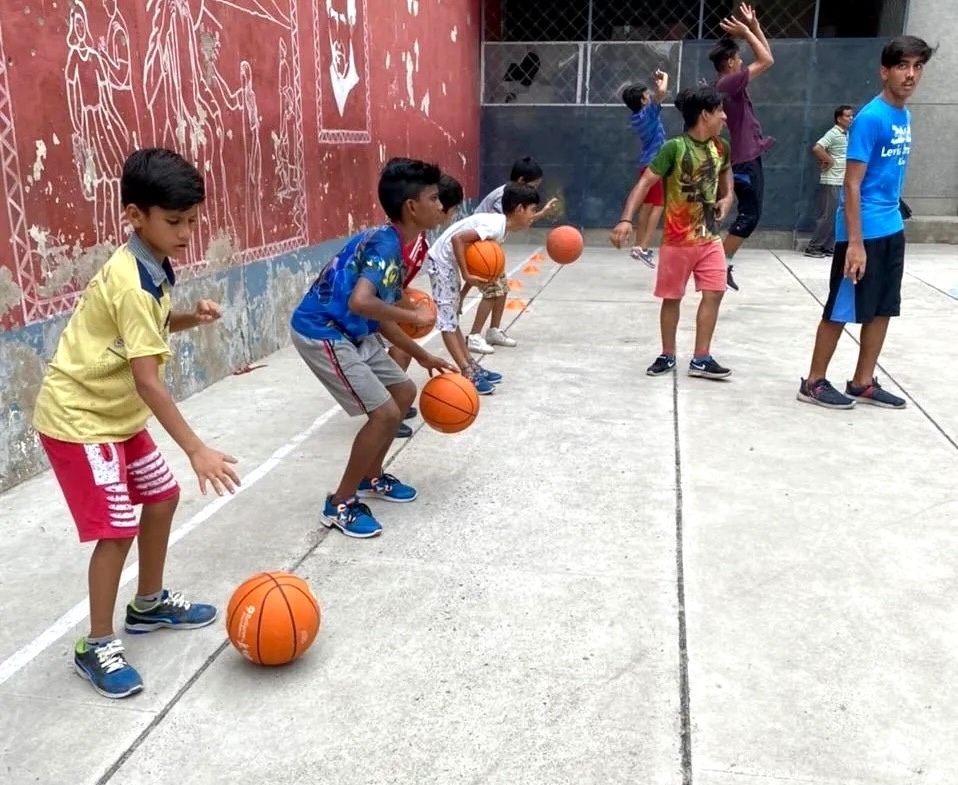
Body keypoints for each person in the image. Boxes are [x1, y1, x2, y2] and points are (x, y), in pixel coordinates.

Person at [31, 148, 241, 700]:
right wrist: (196, 448)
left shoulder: (151, 265)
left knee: (162, 496)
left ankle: (147, 605)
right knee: (117, 527)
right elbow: (149, 380)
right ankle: (95, 644)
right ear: (134, 216)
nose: (187, 232)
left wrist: (189, 317)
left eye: (193, 220)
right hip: (80, 419)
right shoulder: (130, 278)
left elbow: (147, 324)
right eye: (174, 222)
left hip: (116, 415)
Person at [289, 158, 457, 539]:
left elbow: (378, 317)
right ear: (412, 207)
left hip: (352, 330)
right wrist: (407, 309)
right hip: (324, 331)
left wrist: (421, 354)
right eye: (434, 197)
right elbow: (362, 303)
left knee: (403, 390)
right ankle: (340, 503)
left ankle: (371, 476)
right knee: (383, 414)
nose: (439, 204)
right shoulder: (384, 246)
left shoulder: (396, 243)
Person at [797, 36, 935, 410]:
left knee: (884, 307)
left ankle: (863, 381)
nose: (910, 75)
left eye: (917, 67)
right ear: (884, 71)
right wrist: (854, 243)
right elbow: (852, 183)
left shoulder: (903, 115)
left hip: (891, 227)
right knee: (841, 308)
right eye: (903, 66)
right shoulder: (870, 118)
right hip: (863, 230)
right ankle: (813, 382)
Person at [610, 87, 734, 380]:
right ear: (705, 114)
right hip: (678, 241)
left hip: (710, 237)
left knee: (715, 292)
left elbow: (726, 172)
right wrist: (626, 219)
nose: (724, 116)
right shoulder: (673, 148)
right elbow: (644, 184)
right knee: (672, 298)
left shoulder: (721, 147)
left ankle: (701, 358)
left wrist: (727, 198)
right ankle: (667, 354)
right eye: (719, 111)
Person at [425, 184, 541, 392]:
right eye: (532, 210)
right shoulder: (495, 225)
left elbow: (477, 264)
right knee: (447, 323)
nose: (533, 216)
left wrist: (462, 293)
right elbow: (457, 239)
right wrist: (466, 275)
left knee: (452, 319)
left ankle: (470, 364)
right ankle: (466, 372)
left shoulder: (501, 229)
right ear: (519, 209)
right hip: (441, 261)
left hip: (448, 264)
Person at [389, 173, 465, 438]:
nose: (448, 214)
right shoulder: (404, 244)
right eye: (448, 208)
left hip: (383, 299)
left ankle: (391, 402)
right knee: (401, 345)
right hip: (366, 306)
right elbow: (391, 286)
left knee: (403, 344)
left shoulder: (418, 240)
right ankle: (388, 410)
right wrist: (412, 309)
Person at [709, 2, 775, 292]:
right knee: (749, 215)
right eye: (739, 57)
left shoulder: (730, 83)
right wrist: (748, 32)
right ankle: (719, 265)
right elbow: (767, 61)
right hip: (742, 160)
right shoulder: (728, 83)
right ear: (733, 61)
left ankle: (720, 264)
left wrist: (754, 27)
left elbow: (766, 55)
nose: (743, 61)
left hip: (748, 156)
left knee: (749, 213)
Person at [464, 157, 558, 355]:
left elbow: (516, 223)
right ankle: (474, 336)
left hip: (490, 247)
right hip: (480, 247)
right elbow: (514, 223)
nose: (535, 190)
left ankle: (493, 331)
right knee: (491, 292)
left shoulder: (513, 195)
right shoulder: (504, 197)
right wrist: (541, 213)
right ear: (522, 180)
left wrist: (540, 213)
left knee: (502, 289)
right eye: (534, 185)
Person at [621, 69, 669, 267]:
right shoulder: (648, 113)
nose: (649, 96)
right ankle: (644, 247)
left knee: (647, 206)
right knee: (658, 206)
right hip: (656, 165)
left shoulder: (637, 117)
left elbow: (657, 96)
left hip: (646, 164)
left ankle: (638, 246)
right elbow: (662, 93)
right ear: (642, 100)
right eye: (646, 95)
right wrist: (663, 78)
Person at [804, 105, 854, 258]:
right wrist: (829, 161)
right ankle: (813, 247)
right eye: (847, 116)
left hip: (842, 179)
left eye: (852, 115)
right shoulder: (833, 133)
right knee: (829, 215)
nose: (851, 118)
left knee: (838, 215)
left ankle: (828, 246)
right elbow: (817, 148)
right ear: (839, 119)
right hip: (832, 179)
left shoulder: (846, 134)